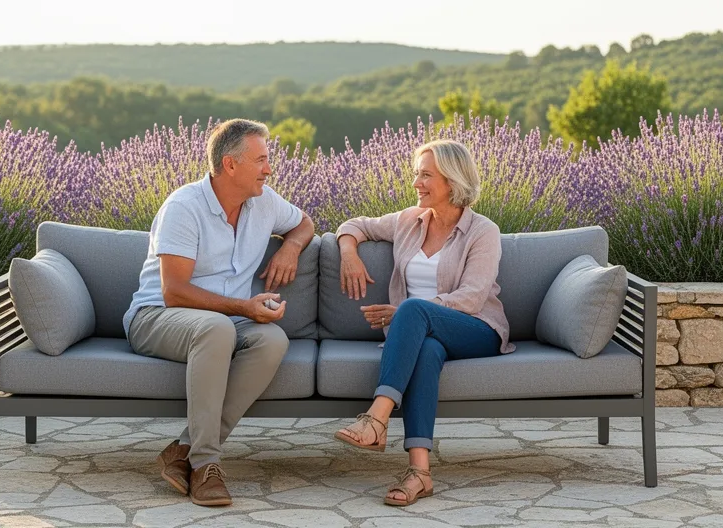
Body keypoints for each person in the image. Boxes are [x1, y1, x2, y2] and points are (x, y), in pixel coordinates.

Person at [123, 118, 315, 507]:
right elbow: (174, 292)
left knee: (272, 340)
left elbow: (304, 222)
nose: (269, 168)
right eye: (261, 160)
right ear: (230, 164)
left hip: (222, 322)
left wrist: (291, 247)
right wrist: (245, 307)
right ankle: (207, 464)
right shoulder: (184, 207)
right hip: (156, 318)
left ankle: (184, 450)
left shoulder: (265, 201)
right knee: (216, 330)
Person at [332, 139, 513, 507]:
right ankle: (420, 473)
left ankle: (377, 418)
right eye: (417, 173)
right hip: (425, 333)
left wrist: (408, 312)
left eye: (426, 175)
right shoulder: (408, 222)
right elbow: (354, 224)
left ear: (453, 180)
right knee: (427, 349)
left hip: (477, 329)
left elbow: (473, 297)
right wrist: (349, 253)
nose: (417, 182)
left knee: (412, 308)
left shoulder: (483, 231)